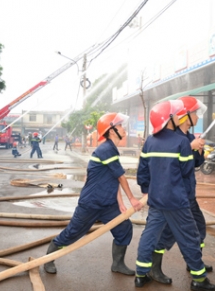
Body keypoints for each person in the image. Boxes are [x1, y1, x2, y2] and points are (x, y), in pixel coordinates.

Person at [43, 112, 144, 276]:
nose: (123, 128)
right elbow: (121, 177)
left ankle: (117, 264)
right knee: (73, 233)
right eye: (120, 125)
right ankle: (48, 260)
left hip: (108, 204)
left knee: (124, 228)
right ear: (112, 131)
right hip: (91, 203)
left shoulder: (111, 149)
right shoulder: (106, 149)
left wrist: (119, 202)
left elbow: (113, 178)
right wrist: (132, 198)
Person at [134, 100, 215, 290]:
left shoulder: (150, 141)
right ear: (170, 119)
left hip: (156, 199)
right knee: (189, 237)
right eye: (176, 114)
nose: (180, 115)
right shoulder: (181, 142)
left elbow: (142, 172)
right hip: (176, 201)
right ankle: (199, 279)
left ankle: (140, 274)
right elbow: (187, 172)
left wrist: (149, 190)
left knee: (149, 235)